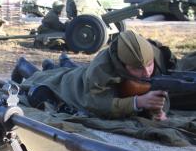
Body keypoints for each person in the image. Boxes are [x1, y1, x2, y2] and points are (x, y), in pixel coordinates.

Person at [16, 30, 196, 121]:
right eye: (137, 69)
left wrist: (159, 111)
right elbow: (94, 102)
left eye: (149, 65)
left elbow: (161, 89)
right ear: (123, 64)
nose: (147, 72)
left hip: (93, 79)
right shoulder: (102, 67)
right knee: (48, 80)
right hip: (77, 86)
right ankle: (24, 66)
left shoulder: (154, 54)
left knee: (61, 71)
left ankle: (57, 65)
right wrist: (137, 102)